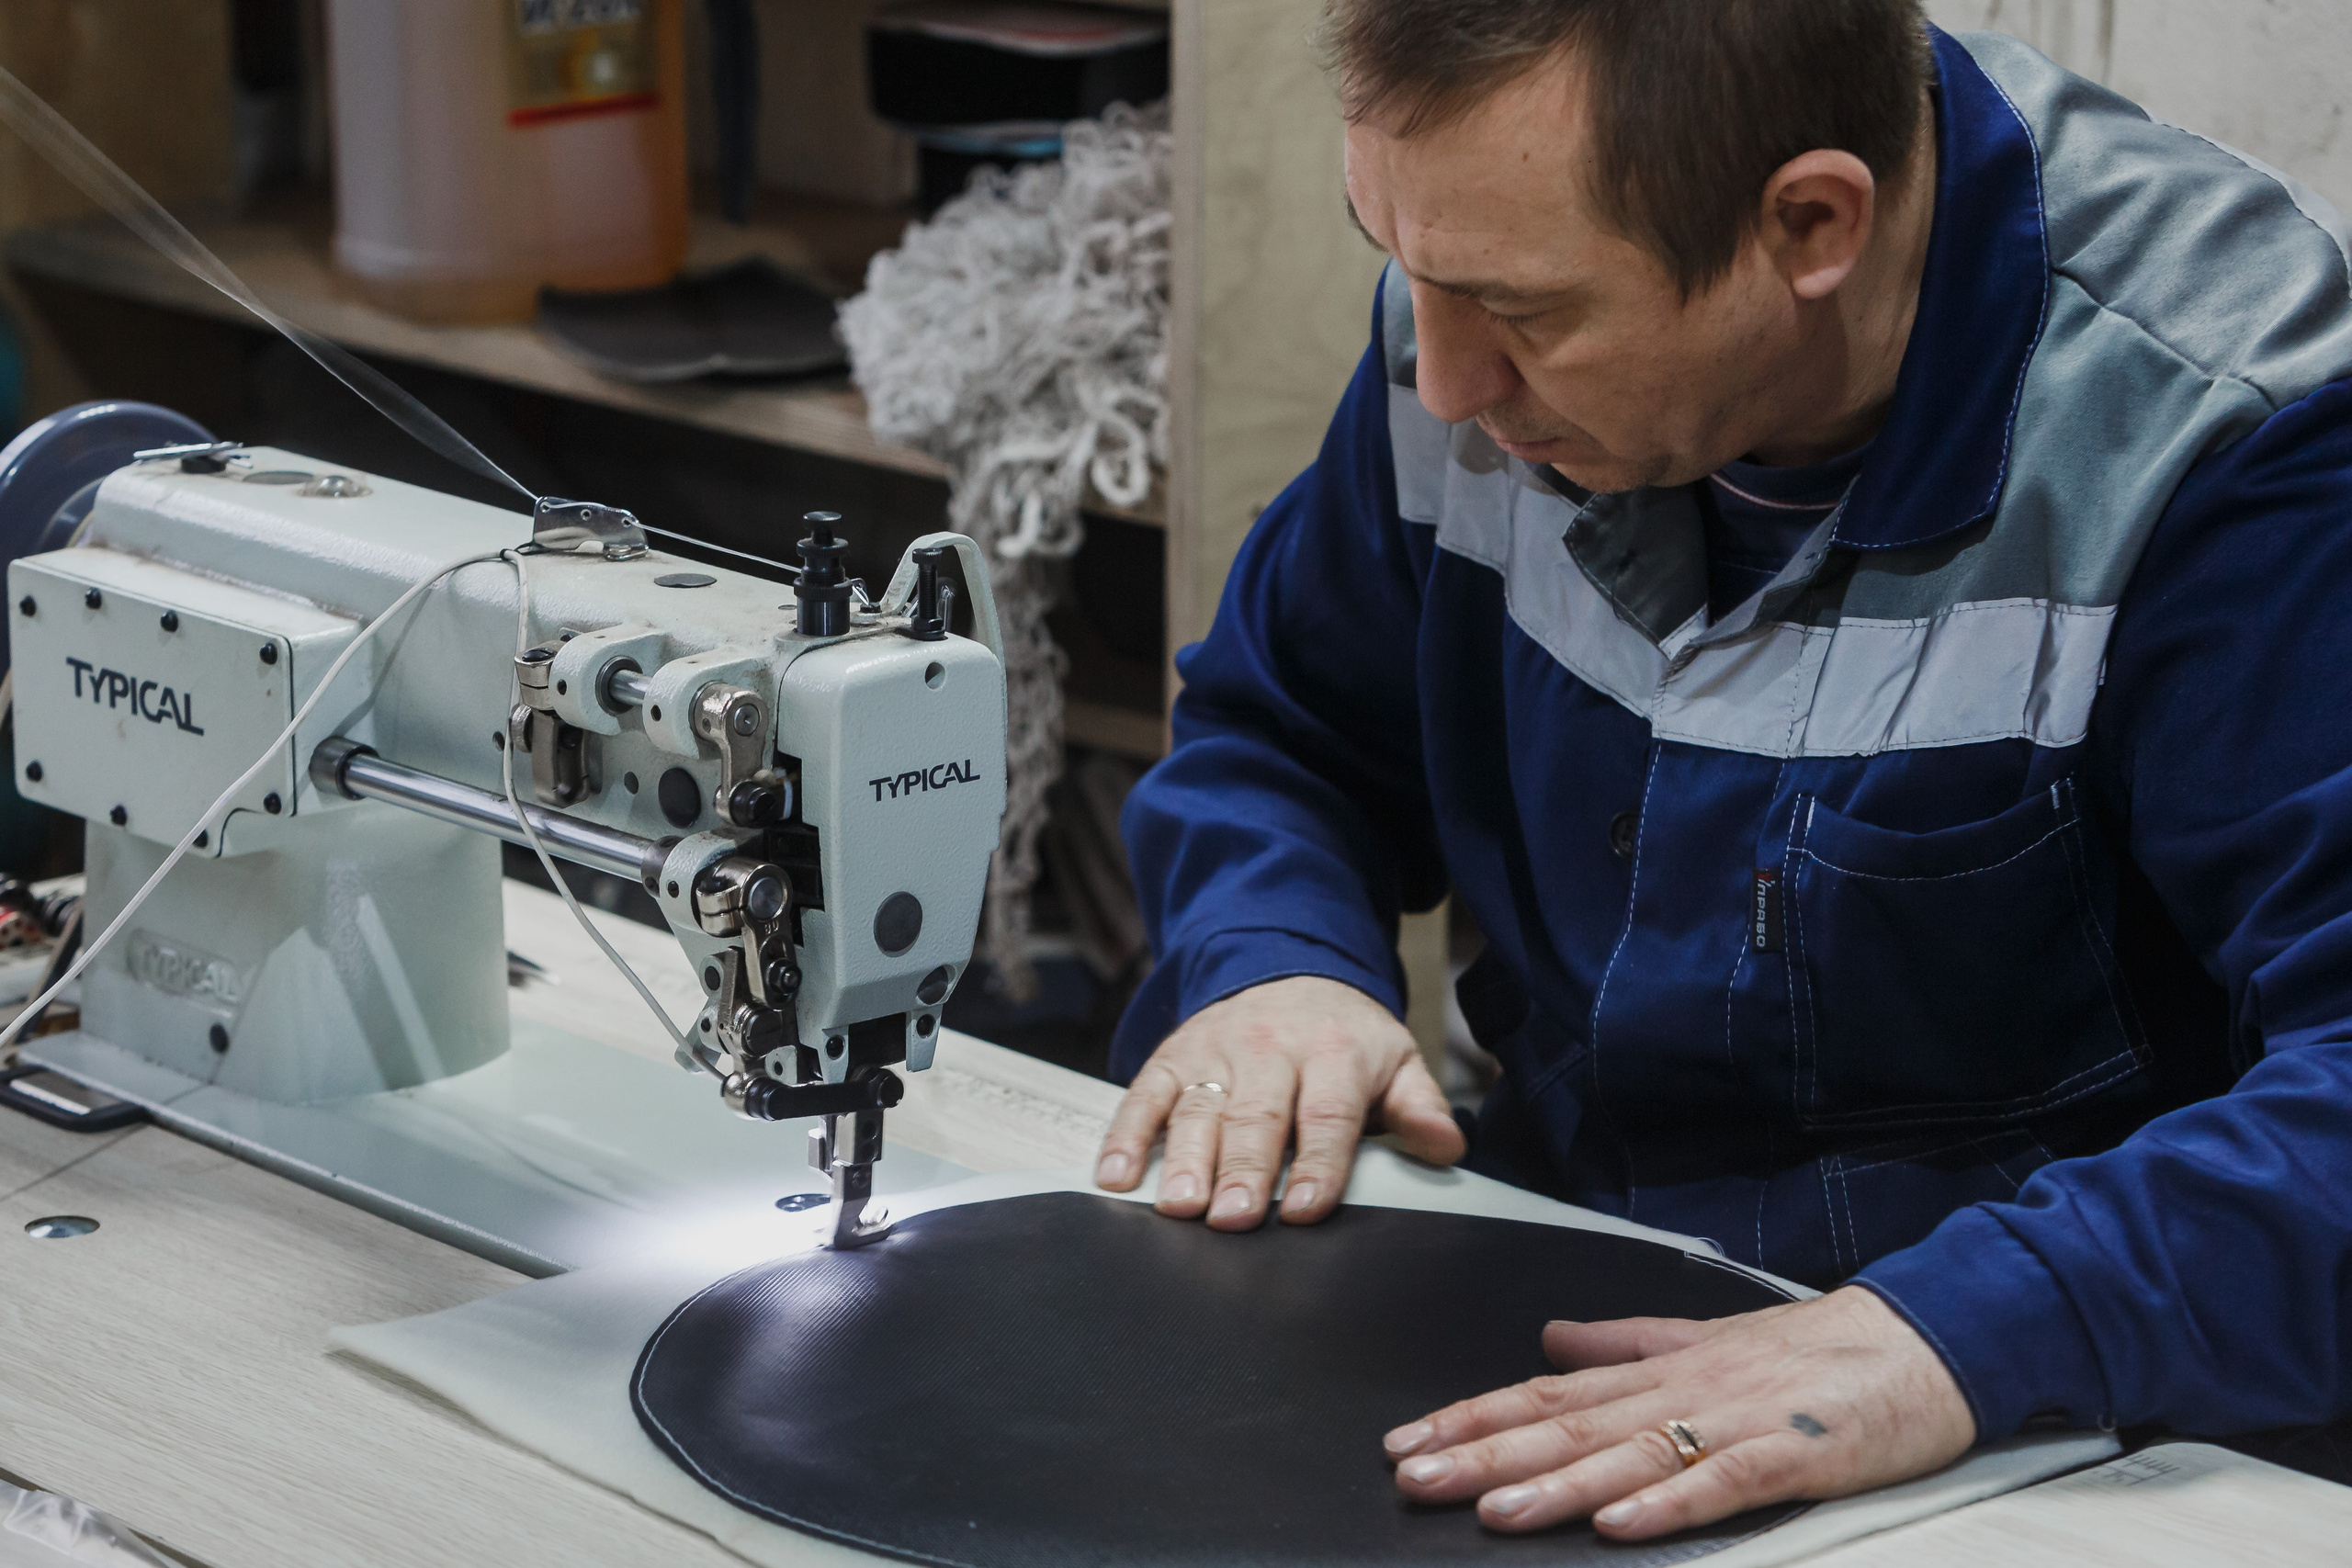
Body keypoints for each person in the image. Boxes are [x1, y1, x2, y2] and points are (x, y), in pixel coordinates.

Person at [1092, 0, 2352, 1543]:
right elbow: (1283, 735)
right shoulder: (1474, 315)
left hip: (2059, 1412)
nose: (1442, 382)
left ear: (1810, 222)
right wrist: (1271, 961)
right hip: (1576, 1297)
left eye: (1522, 310)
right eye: (1401, 261)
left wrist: (1958, 1330)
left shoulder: (2230, 442)